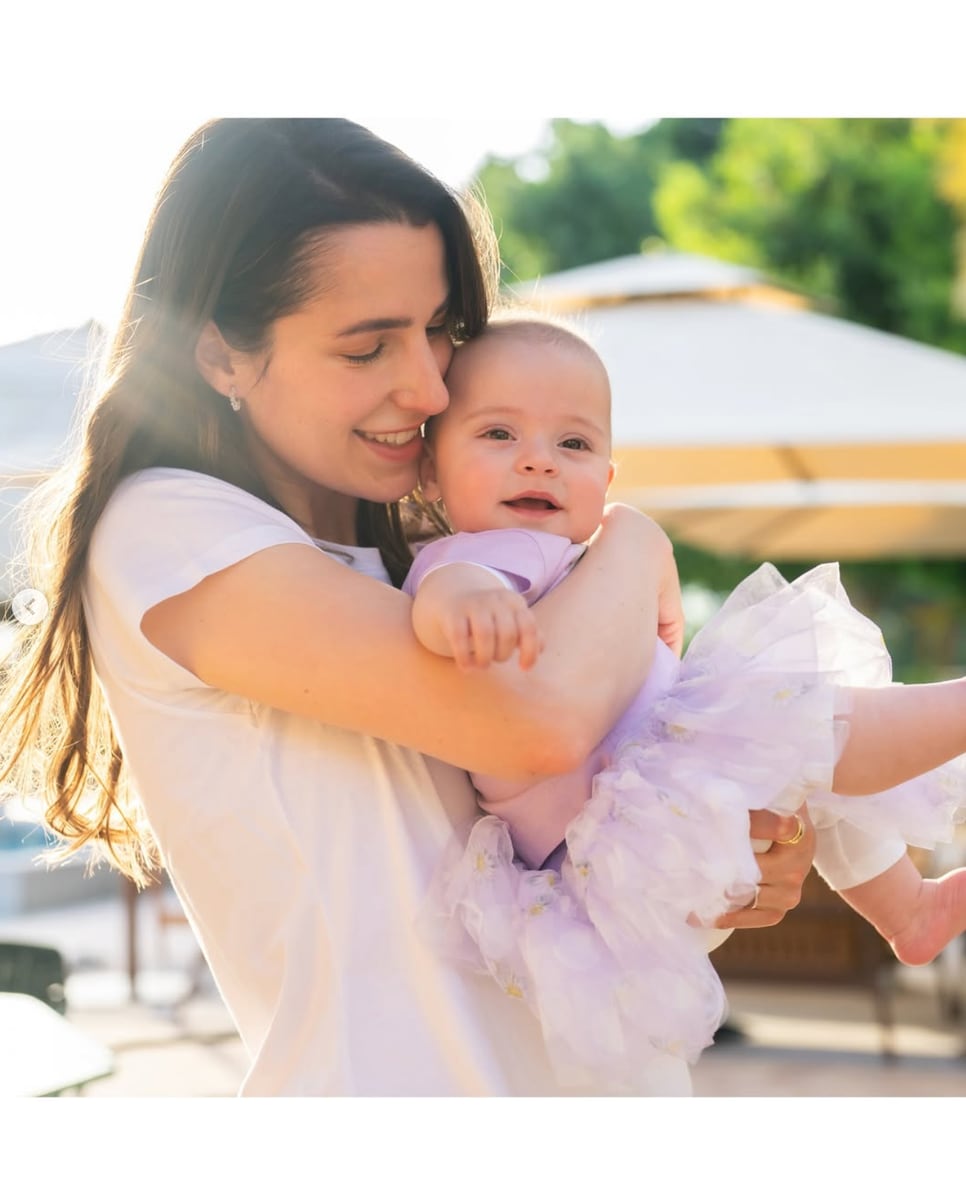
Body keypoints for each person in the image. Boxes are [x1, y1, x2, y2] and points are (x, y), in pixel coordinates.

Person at [0, 118, 816, 1099]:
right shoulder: (173, 532)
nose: (429, 384)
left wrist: (716, 859)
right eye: (367, 347)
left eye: (439, 330)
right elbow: (537, 722)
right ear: (219, 354)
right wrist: (635, 541)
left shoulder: (436, 563)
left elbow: (554, 847)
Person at [403, 312, 966, 1092]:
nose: (538, 463)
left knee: (821, 769)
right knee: (820, 724)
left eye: (574, 444)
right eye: (499, 435)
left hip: (643, 806)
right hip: (625, 808)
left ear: (608, 479)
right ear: (429, 472)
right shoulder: (473, 559)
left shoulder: (587, 555)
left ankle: (908, 910)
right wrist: (466, 604)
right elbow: (439, 593)